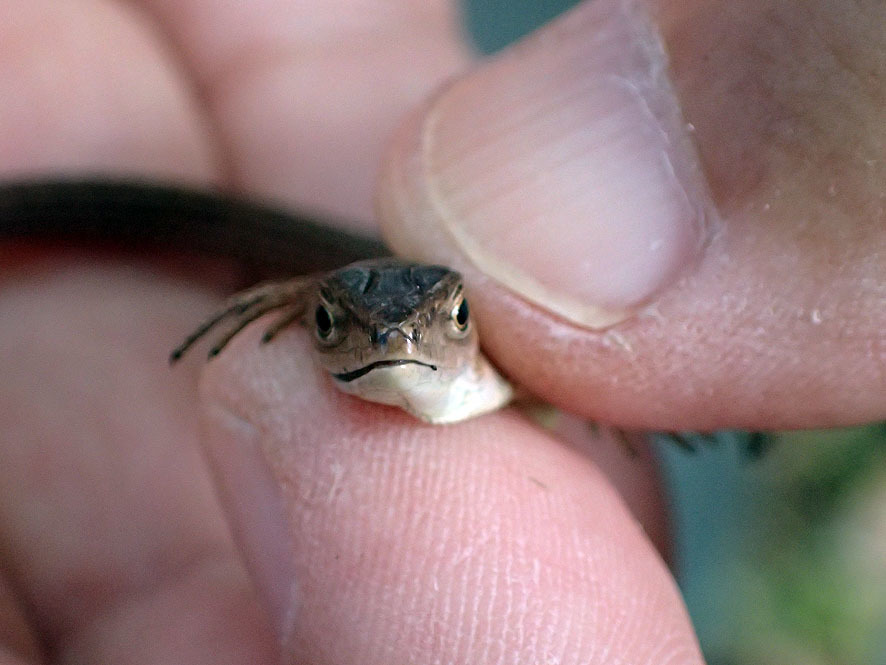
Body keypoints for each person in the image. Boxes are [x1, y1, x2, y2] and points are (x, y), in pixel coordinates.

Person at [1, 0, 881, 662]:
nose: (395, 343)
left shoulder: (508, 346)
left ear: (462, 330)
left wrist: (660, 392)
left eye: (443, 325)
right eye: (328, 321)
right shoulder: (432, 336)